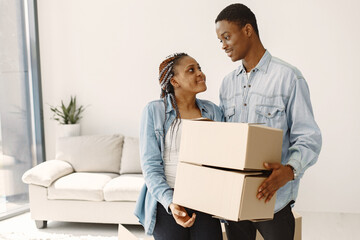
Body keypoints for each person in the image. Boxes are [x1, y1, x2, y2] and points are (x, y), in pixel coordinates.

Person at [215, 3, 322, 240]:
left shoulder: (289, 77)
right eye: (219, 40)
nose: (222, 45)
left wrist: (290, 171)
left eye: (226, 36)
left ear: (248, 30)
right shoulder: (227, 84)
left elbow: (309, 137)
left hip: (274, 201)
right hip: (235, 203)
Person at [134, 53, 223, 240]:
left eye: (199, 68)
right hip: (168, 198)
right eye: (191, 70)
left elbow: (223, 159)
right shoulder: (154, 111)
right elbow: (150, 167)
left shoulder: (213, 111)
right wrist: (171, 203)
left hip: (205, 199)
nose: (200, 73)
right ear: (174, 81)